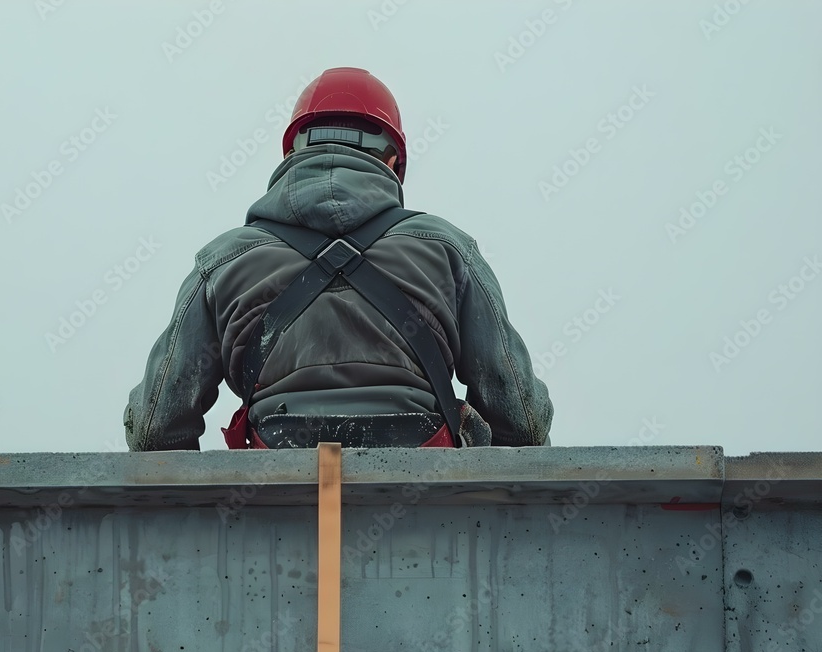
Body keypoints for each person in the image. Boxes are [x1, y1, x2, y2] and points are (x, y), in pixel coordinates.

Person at [124, 67, 552, 451]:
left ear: (292, 155)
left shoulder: (222, 261)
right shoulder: (448, 250)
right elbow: (521, 421)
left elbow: (157, 428)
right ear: (390, 162)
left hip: (272, 504)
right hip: (423, 503)